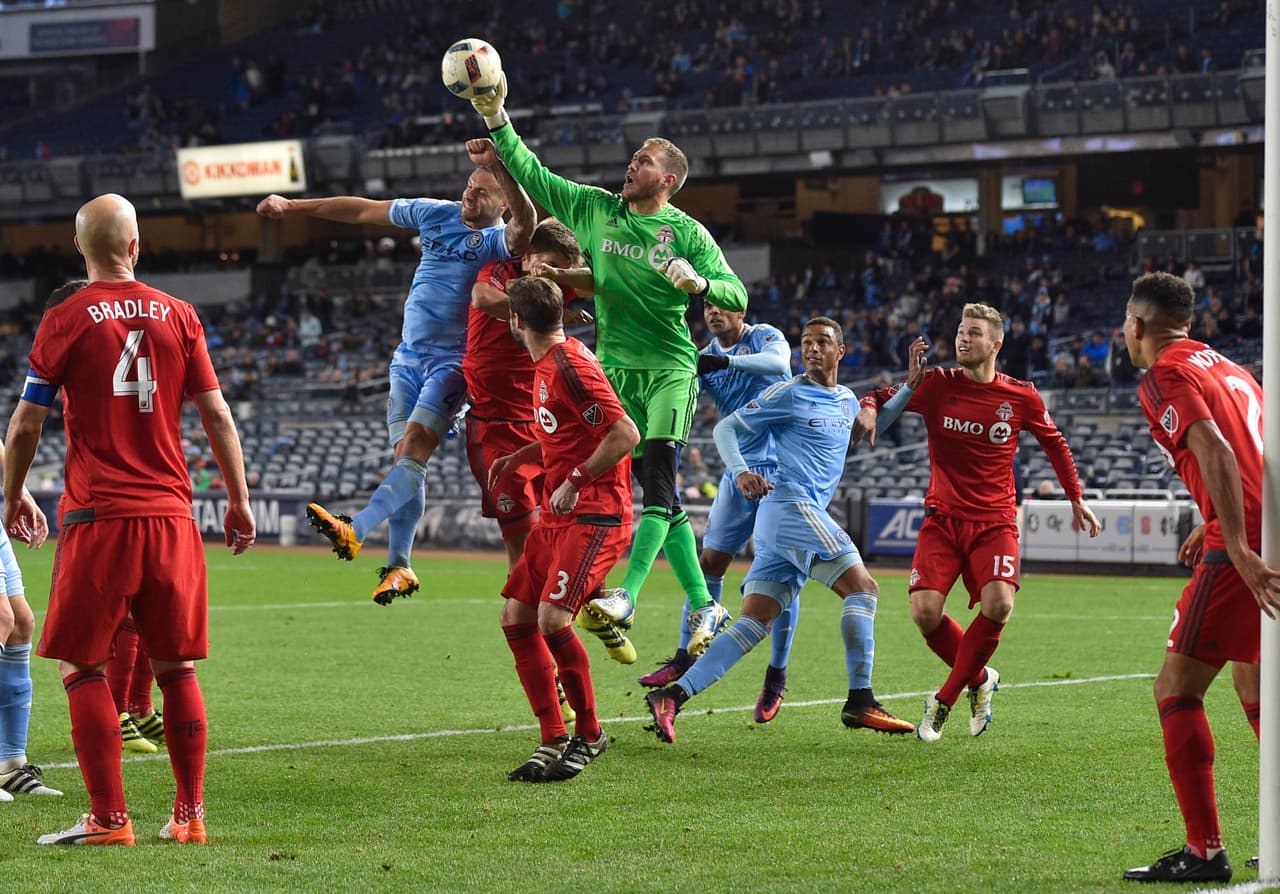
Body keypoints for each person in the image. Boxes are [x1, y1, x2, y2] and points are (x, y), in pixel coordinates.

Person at [3, 193, 256, 845]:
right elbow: (219, 416)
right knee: (178, 670)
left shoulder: (66, 316)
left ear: (82, 250)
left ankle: (109, 820)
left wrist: (11, 493)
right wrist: (238, 498)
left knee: (82, 669)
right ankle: (190, 817)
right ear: (135, 246)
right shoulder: (180, 314)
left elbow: (28, 421)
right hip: (172, 515)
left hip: (99, 515)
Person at [469, 79, 746, 657]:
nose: (632, 164)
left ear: (667, 179)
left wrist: (701, 284)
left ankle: (628, 595)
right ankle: (705, 603)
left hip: (670, 367)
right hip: (616, 368)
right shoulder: (597, 210)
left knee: (661, 486)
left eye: (644, 161)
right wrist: (496, 116)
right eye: (634, 157)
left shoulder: (687, 233)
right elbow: (535, 174)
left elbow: (736, 293)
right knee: (658, 496)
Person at [259, 140, 535, 604]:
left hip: (452, 364)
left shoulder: (498, 242)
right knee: (406, 462)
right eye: (470, 186)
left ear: (504, 201)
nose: (470, 196)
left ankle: (356, 527)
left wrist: (500, 167)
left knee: (415, 450)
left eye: (484, 192)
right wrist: (293, 205)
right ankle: (401, 566)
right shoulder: (435, 213)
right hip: (406, 359)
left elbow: (526, 227)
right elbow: (364, 211)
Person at [644, 317, 918, 743]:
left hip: (784, 524)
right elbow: (725, 427)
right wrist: (739, 472)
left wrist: (908, 388)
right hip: (791, 506)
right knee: (863, 590)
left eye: (821, 342)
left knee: (754, 622)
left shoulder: (846, 399)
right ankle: (861, 700)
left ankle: (673, 697)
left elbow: (871, 430)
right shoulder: (788, 392)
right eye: (805, 343)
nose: (810, 349)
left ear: (840, 351)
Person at [857, 303, 1101, 743]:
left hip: (995, 521)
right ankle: (980, 678)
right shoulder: (935, 384)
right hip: (943, 520)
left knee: (1000, 604)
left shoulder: (1021, 396)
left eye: (973, 332)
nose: (962, 339)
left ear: (996, 343)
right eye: (959, 331)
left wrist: (1076, 499)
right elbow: (877, 395)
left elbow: (1056, 444)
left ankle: (944, 700)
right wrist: (870, 410)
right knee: (924, 613)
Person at [1119, 272, 1280, 883]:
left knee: (1176, 688)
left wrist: (1233, 541)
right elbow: (1258, 448)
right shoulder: (1230, 367)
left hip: (1247, 539)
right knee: (1257, 686)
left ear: (1138, 325)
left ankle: (1204, 851)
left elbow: (1215, 447)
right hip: (1271, 522)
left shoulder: (1163, 373)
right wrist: (1213, 517)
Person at [491, 276, 639, 781]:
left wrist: (575, 480)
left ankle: (590, 734)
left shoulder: (570, 365)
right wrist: (521, 456)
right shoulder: (550, 362)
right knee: (516, 616)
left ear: (515, 321)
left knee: (554, 619)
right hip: (560, 516)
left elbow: (624, 433)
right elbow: (564, 435)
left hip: (595, 512)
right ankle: (552, 735)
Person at [636, 302, 795, 725]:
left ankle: (776, 674)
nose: (714, 313)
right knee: (710, 561)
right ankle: (686, 656)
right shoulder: (703, 356)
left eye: (724, 306)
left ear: (741, 311)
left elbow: (779, 362)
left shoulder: (763, 336)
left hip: (782, 467)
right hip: (737, 466)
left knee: (776, 570)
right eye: (708, 307)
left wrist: (719, 360)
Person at [467, 218, 597, 716]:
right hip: (498, 424)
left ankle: (594, 603)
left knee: (552, 549)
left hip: (536, 423)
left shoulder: (563, 361)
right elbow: (485, 300)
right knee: (524, 563)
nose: (561, 280)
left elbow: (618, 431)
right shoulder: (501, 275)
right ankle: (558, 676)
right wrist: (543, 303)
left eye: (568, 273)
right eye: (556, 270)